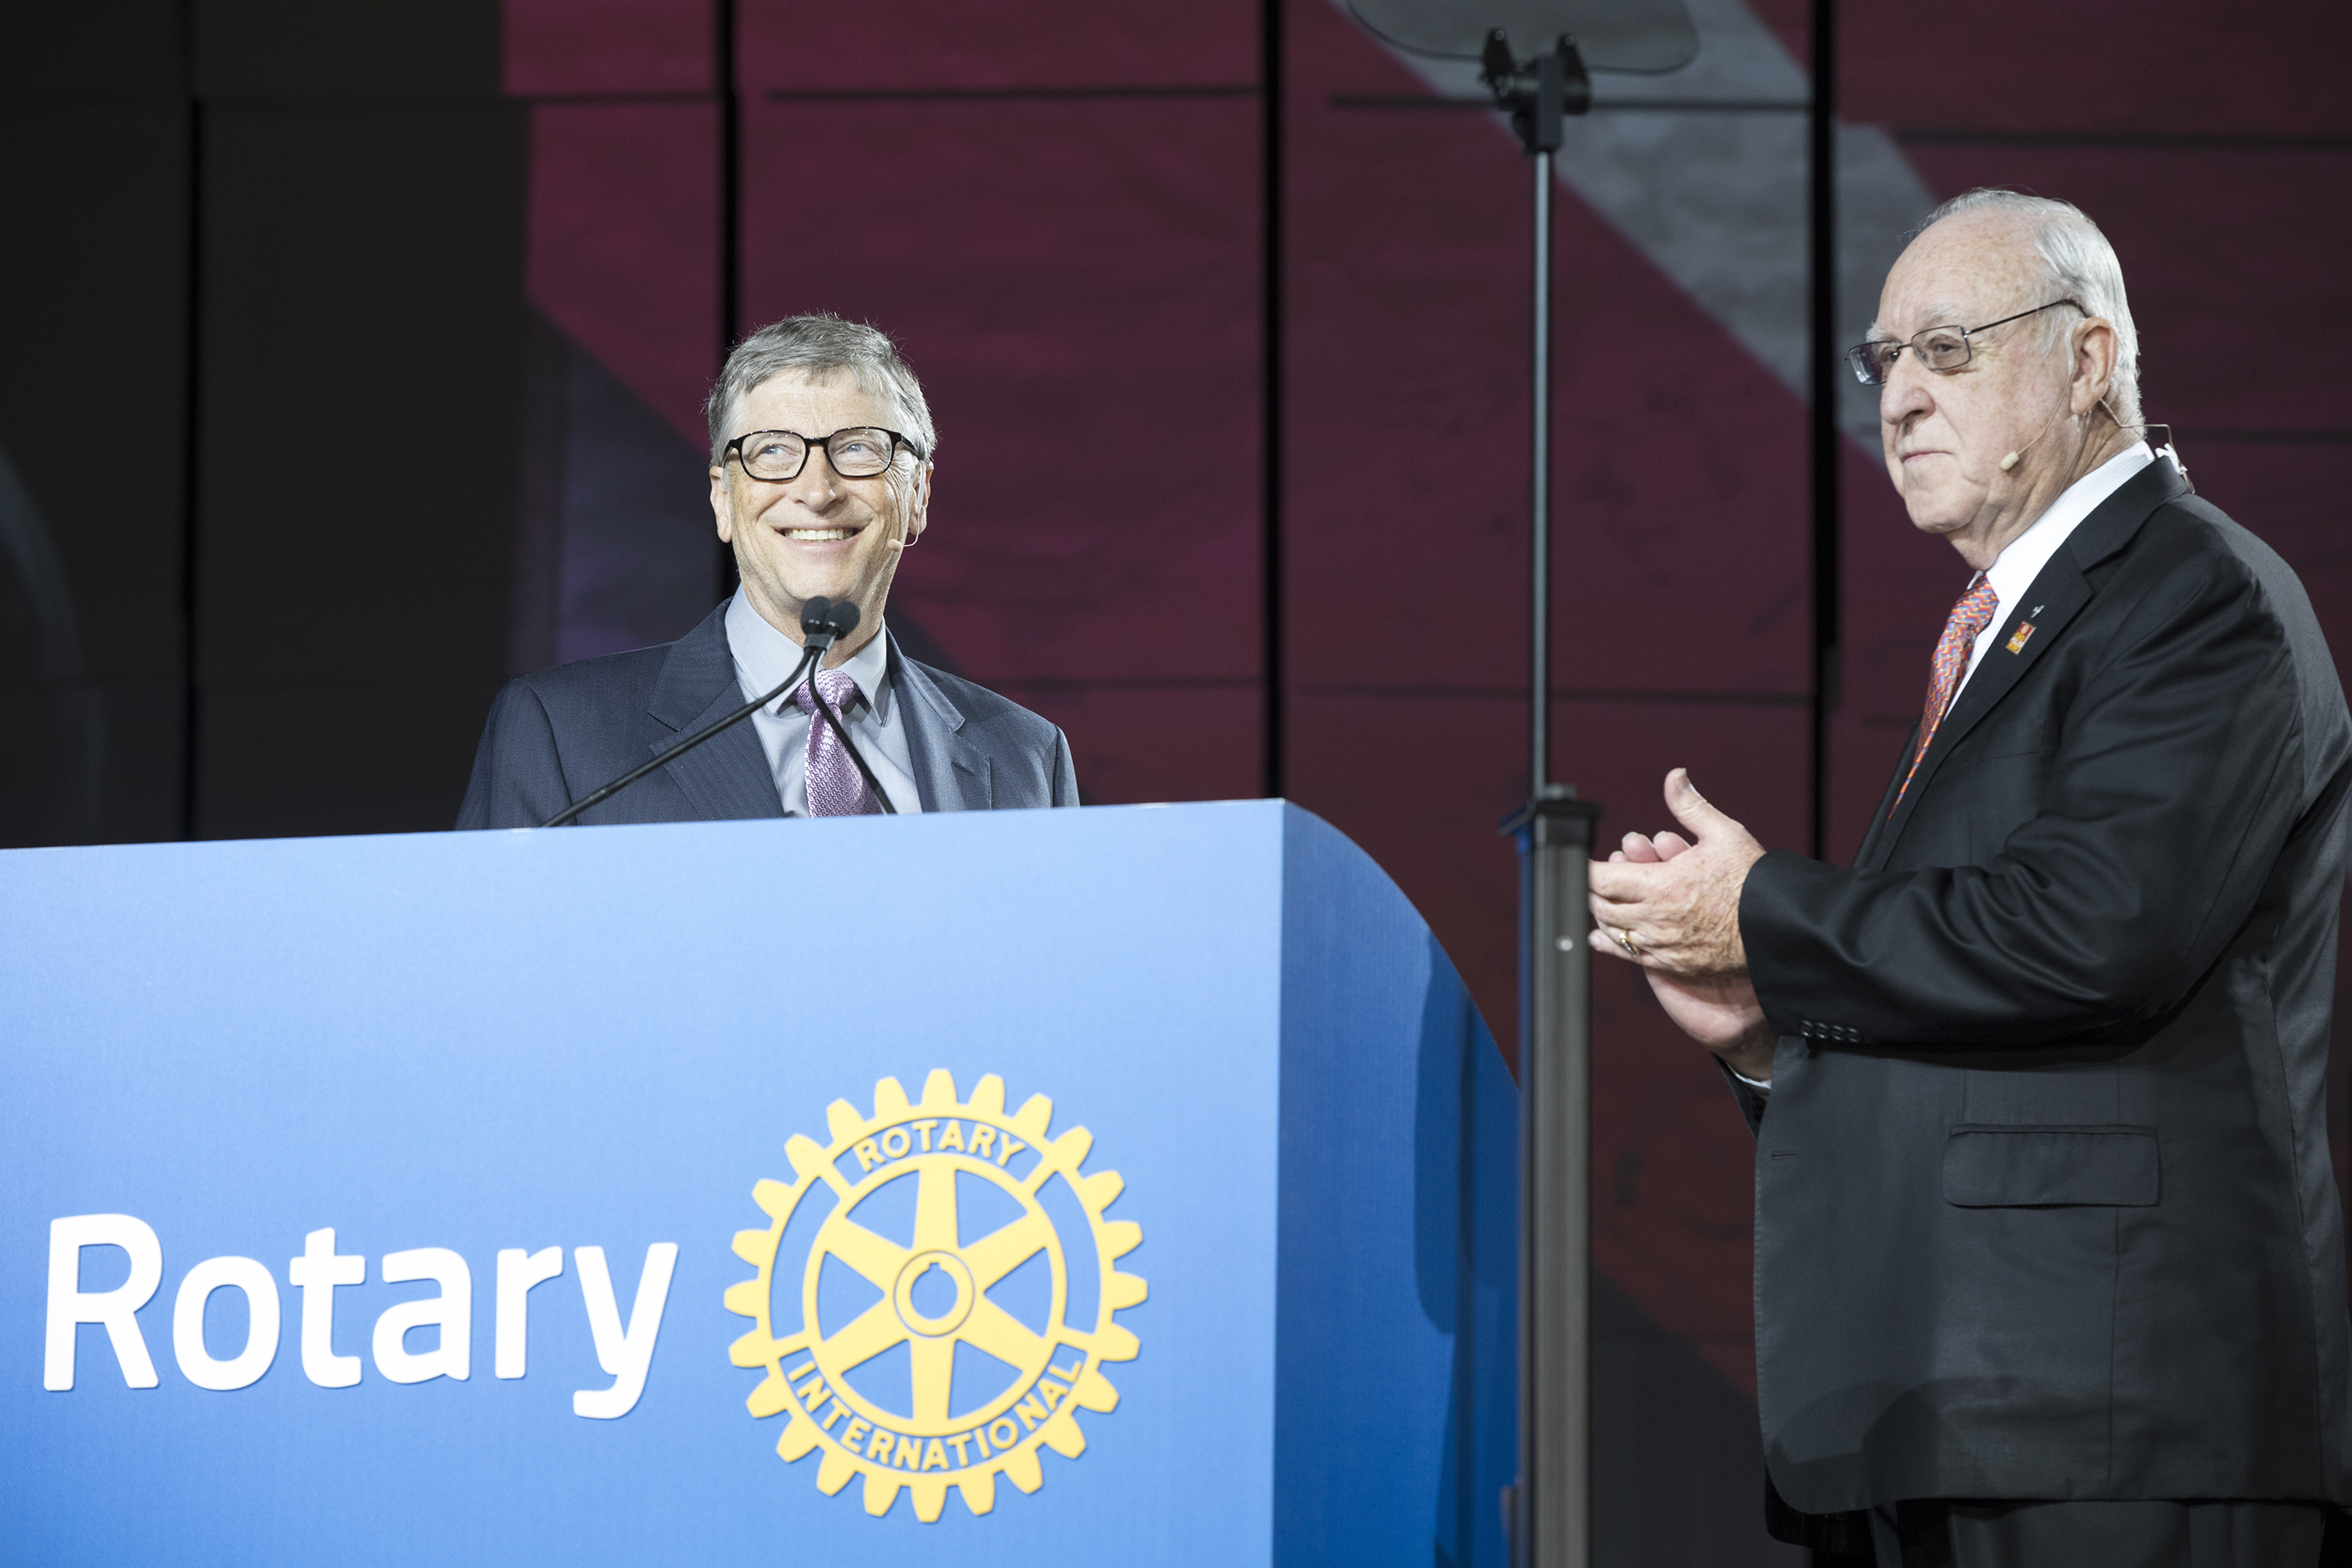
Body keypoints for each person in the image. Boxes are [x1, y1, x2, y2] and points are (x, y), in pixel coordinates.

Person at [1588, 188, 2352, 1565]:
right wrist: (1769, 1027)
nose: (1901, 400)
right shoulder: (2020, 623)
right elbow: (1985, 1005)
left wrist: (1763, 909)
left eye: (1949, 349)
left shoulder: (2197, 595)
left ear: (2087, 359)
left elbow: (2088, 936)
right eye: (1883, 362)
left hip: (2118, 1411)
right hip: (1971, 1403)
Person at [458, 314, 1079, 827]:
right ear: (724, 499)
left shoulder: (1026, 756)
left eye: (858, 448)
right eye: (773, 451)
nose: (817, 489)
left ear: (916, 495)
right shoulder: (559, 732)